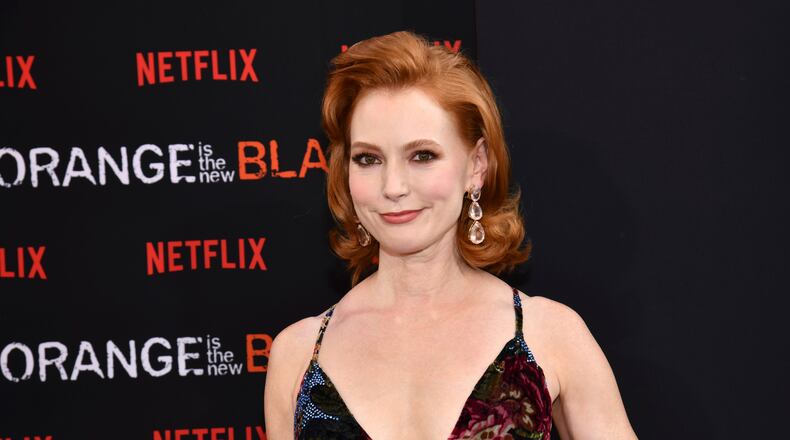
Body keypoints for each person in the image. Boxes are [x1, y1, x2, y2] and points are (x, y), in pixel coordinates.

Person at [264, 30, 638, 439]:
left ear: (476, 165)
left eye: (422, 156)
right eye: (368, 159)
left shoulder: (550, 335)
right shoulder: (298, 354)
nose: (393, 186)